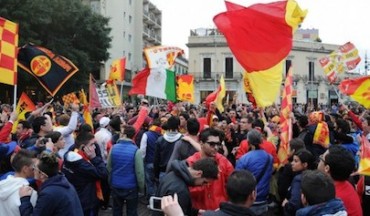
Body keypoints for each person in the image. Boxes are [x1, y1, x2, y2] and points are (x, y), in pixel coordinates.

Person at [18, 152, 83, 216]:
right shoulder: (63, 182)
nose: (33, 169)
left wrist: (24, 199)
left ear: (42, 175)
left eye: (35, 168)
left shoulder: (48, 194)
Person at [186, 128, 234, 211]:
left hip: (220, 210)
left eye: (218, 144)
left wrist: (227, 205)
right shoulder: (191, 163)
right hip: (199, 211)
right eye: (211, 144)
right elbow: (187, 190)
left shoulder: (224, 162)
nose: (216, 147)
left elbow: (233, 186)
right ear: (201, 143)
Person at [62, 132, 108, 216]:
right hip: (87, 202)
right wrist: (94, 158)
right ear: (83, 147)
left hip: (76, 199)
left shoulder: (69, 156)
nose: (94, 147)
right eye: (92, 144)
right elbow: (103, 174)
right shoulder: (82, 164)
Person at [154, 158, 219, 216]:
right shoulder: (180, 190)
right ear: (199, 174)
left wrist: (195, 212)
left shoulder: (173, 174)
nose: (203, 185)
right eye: (204, 182)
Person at [107, 125, 145, 216]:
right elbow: (139, 173)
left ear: (124, 135)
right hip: (131, 187)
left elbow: (109, 168)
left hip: (116, 184)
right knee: (132, 211)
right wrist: (141, 187)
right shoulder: (136, 151)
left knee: (116, 210)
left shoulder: (113, 148)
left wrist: (110, 182)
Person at [235, 129, 273, 216]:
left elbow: (237, 180)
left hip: (247, 200)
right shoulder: (269, 157)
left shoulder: (244, 159)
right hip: (263, 200)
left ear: (248, 142)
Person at [318, 145, 362, 216]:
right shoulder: (345, 185)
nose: (319, 160)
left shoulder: (333, 198)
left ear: (327, 168)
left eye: (321, 158)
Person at [0, 149, 37, 216]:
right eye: (34, 166)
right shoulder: (30, 193)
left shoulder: (2, 185)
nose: (36, 169)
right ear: (25, 169)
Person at [282, 149, 315, 215]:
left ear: (305, 164)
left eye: (296, 161)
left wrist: (286, 205)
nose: (292, 163)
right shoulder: (315, 175)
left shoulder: (298, 179)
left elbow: (294, 204)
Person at [153, 116, 182, 181]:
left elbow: (156, 159)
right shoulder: (182, 139)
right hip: (178, 173)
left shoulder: (160, 140)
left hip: (163, 173)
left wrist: (156, 175)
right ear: (178, 126)